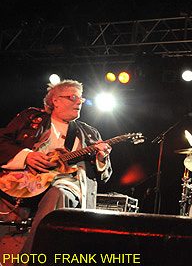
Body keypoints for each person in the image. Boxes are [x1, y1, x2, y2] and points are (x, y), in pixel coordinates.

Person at [0, 79, 112, 253]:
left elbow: (105, 176)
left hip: (67, 183)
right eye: (72, 97)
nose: (79, 102)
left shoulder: (90, 133)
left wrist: (101, 158)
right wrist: (26, 156)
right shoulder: (31, 118)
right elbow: (2, 142)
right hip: (26, 179)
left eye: (80, 99)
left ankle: (35, 258)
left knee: (58, 193)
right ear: (55, 101)